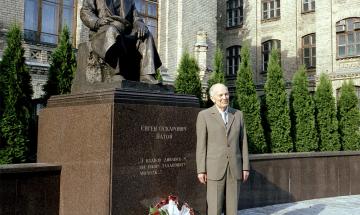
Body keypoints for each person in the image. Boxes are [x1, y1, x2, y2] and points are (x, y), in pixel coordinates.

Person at [196, 83, 250, 215]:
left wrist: (245, 167)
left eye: (226, 94)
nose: (224, 97)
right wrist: (201, 170)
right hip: (214, 169)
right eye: (220, 95)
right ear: (213, 98)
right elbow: (201, 145)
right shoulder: (204, 115)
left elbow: (243, 142)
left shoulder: (238, 115)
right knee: (214, 208)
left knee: (232, 209)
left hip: (235, 168)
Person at [80, 0, 161, 84]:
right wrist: (97, 21)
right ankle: (116, 72)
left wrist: (139, 23)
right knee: (112, 31)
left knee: (146, 34)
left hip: (126, 31)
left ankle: (146, 75)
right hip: (103, 29)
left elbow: (136, 17)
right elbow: (85, 11)